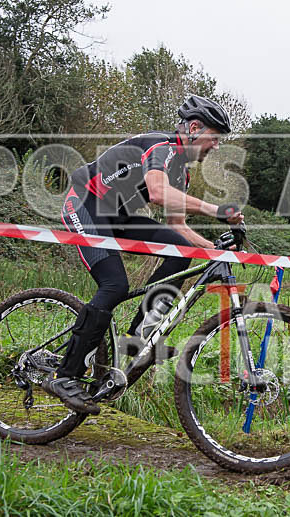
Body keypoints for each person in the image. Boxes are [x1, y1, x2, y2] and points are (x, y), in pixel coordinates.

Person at [44, 95, 243, 415]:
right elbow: (156, 193)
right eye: (214, 138)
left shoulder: (182, 173)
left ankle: (136, 339)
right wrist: (215, 210)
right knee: (114, 285)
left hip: (117, 217)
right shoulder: (161, 147)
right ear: (194, 128)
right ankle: (64, 376)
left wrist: (215, 250)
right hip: (85, 203)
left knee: (180, 251)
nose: (215, 146)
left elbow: (179, 227)